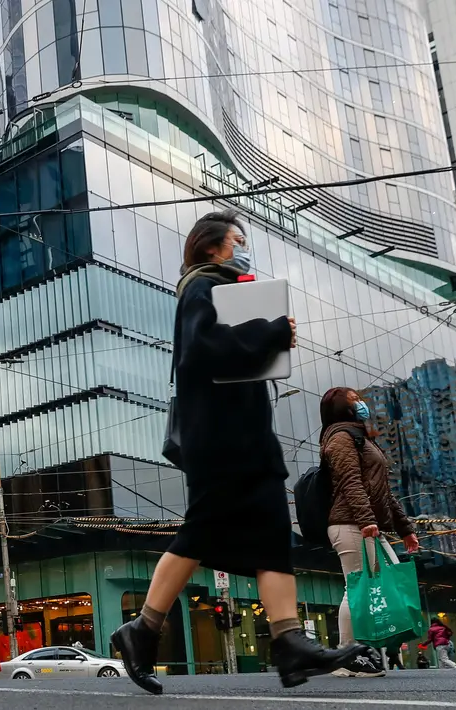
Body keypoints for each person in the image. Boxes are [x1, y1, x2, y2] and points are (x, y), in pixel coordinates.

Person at [110, 210, 367, 694]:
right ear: (212, 246)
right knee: (202, 531)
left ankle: (289, 642)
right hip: (221, 440)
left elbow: (232, 356)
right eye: (237, 240)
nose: (243, 247)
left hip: (246, 438)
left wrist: (274, 339)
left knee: (272, 533)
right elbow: (204, 350)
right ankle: (142, 630)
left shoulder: (226, 291)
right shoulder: (200, 287)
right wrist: (270, 332)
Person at [320, 386, 419, 679]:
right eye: (354, 400)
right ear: (343, 408)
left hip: (362, 523)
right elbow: (350, 482)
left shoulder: (361, 437)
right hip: (350, 523)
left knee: (361, 588)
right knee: (358, 588)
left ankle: (351, 654)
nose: (361, 403)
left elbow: (382, 492)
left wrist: (405, 529)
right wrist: (365, 521)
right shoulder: (340, 438)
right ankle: (347, 654)